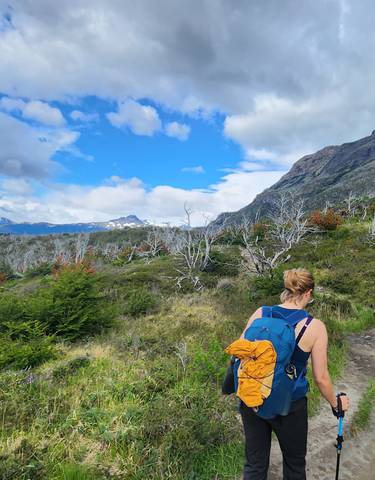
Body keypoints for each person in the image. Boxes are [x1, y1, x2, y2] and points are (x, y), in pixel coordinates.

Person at [238, 268, 349, 480]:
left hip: (252, 399)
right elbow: (321, 378)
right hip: (290, 406)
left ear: (286, 289)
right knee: (294, 465)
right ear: (308, 293)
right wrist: (336, 404)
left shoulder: (261, 313)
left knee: (254, 465)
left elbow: (238, 353)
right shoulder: (314, 326)